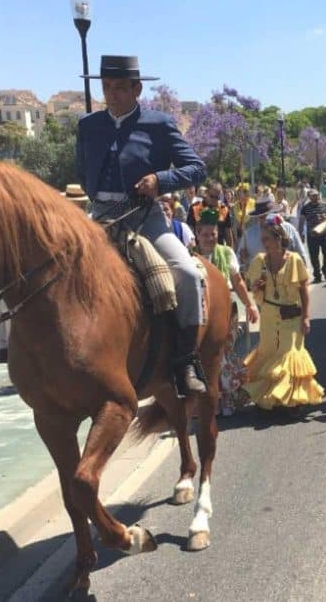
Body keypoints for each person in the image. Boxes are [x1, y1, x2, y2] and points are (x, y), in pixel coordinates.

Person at [75, 54, 208, 396]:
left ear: (137, 88)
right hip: (99, 218)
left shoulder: (158, 124)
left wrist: (160, 180)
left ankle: (186, 360)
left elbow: (196, 168)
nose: (112, 93)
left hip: (144, 217)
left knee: (188, 275)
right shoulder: (87, 126)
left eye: (120, 87)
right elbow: (81, 171)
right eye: (107, 87)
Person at [241, 216, 323, 411]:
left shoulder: (294, 260)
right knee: (269, 353)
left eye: (267, 239)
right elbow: (252, 287)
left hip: (291, 317)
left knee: (289, 355)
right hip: (269, 317)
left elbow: (303, 290)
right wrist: (256, 286)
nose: (264, 243)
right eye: (263, 239)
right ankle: (269, 398)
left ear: (279, 239)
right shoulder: (259, 261)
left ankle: (292, 400)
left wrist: (306, 317)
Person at [194, 208, 258, 416]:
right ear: (197, 234)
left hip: (225, 313)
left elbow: (238, 281)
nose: (210, 238)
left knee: (223, 354)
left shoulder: (226, 252)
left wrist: (249, 304)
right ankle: (209, 402)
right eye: (205, 234)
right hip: (199, 315)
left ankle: (227, 399)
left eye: (213, 234)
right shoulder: (189, 255)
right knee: (204, 359)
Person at [239, 196, 307, 269]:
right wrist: (242, 258)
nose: (265, 219)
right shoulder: (248, 234)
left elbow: (301, 255)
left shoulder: (289, 229)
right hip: (261, 277)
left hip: (287, 275)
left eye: (267, 215)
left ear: (273, 212)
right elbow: (239, 261)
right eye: (261, 217)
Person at [300, 189, 326, 283]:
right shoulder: (305, 208)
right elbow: (301, 221)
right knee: (314, 256)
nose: (315, 197)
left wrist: (325, 217)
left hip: (324, 233)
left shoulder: (325, 206)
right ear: (309, 197)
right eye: (313, 195)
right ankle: (317, 275)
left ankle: (325, 269)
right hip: (312, 235)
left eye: (317, 195)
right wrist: (300, 233)